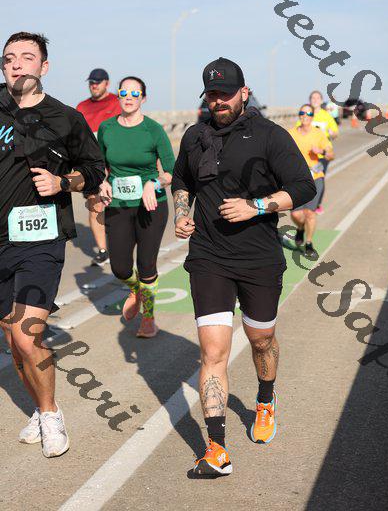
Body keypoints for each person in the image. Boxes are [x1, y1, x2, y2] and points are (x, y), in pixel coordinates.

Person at [172, 57, 316, 476]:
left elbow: (303, 186)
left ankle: (265, 399)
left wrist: (257, 206)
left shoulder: (270, 136)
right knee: (213, 352)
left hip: (258, 258)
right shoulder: (195, 137)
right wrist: (181, 213)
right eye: (212, 94)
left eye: (226, 93)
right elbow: (182, 181)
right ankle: (216, 450)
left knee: (261, 340)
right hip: (208, 257)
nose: (218, 101)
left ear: (244, 92)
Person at [0, 32, 105, 457]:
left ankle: (49, 413)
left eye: (27, 57)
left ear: (44, 67)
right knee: (12, 341)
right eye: (9, 58)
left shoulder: (65, 118)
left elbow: (94, 170)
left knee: (27, 336)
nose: (16, 64)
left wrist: (63, 182)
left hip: (39, 238)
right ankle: (39, 407)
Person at [98, 76, 175, 338]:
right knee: (120, 267)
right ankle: (135, 289)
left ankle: (149, 318)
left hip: (151, 206)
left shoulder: (153, 130)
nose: (128, 97)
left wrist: (154, 183)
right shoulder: (107, 128)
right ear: (118, 96)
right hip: (118, 205)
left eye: (135, 93)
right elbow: (98, 165)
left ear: (143, 98)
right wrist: (102, 182)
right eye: (124, 93)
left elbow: (172, 172)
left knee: (146, 264)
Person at [77, 69, 120, 266]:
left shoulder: (117, 102)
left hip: (115, 163)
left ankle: (122, 243)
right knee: (95, 204)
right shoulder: (82, 107)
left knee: (116, 206)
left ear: (106, 83)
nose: (94, 85)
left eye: (98, 82)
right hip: (91, 164)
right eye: (91, 82)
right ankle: (103, 251)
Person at [289, 104, 334, 259]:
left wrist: (321, 151)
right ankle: (300, 228)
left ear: (312, 116)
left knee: (310, 213)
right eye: (302, 113)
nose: (305, 116)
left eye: (308, 113)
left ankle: (308, 243)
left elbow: (331, 155)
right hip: (296, 178)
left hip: (315, 177)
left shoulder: (318, 133)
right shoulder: (291, 133)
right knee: (296, 215)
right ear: (299, 115)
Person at [308, 90, 338, 214]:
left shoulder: (326, 116)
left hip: (323, 154)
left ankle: (317, 204)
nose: (315, 100)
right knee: (309, 179)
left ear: (321, 101)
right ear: (310, 100)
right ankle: (310, 203)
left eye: (317, 98)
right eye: (313, 98)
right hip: (308, 154)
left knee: (319, 177)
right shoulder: (307, 114)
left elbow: (335, 132)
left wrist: (332, 133)